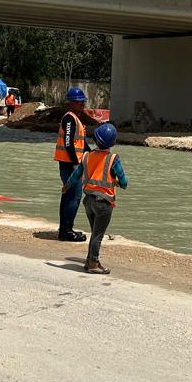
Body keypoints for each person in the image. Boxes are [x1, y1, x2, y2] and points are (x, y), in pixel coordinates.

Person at [63, 122, 128, 274]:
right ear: (113, 142)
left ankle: (89, 260)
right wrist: (119, 183)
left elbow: (75, 175)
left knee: (95, 232)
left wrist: (66, 186)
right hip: (103, 203)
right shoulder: (113, 159)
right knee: (98, 234)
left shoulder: (87, 156)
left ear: (96, 141)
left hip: (88, 201)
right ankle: (93, 263)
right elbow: (124, 181)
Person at [53, 86, 91, 242]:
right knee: (73, 198)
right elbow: (68, 144)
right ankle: (67, 231)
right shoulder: (69, 118)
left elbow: (80, 143)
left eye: (83, 103)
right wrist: (76, 164)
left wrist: (94, 153)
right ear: (72, 103)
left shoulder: (75, 119)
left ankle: (64, 229)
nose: (82, 105)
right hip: (70, 166)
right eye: (80, 103)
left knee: (68, 197)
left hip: (70, 165)